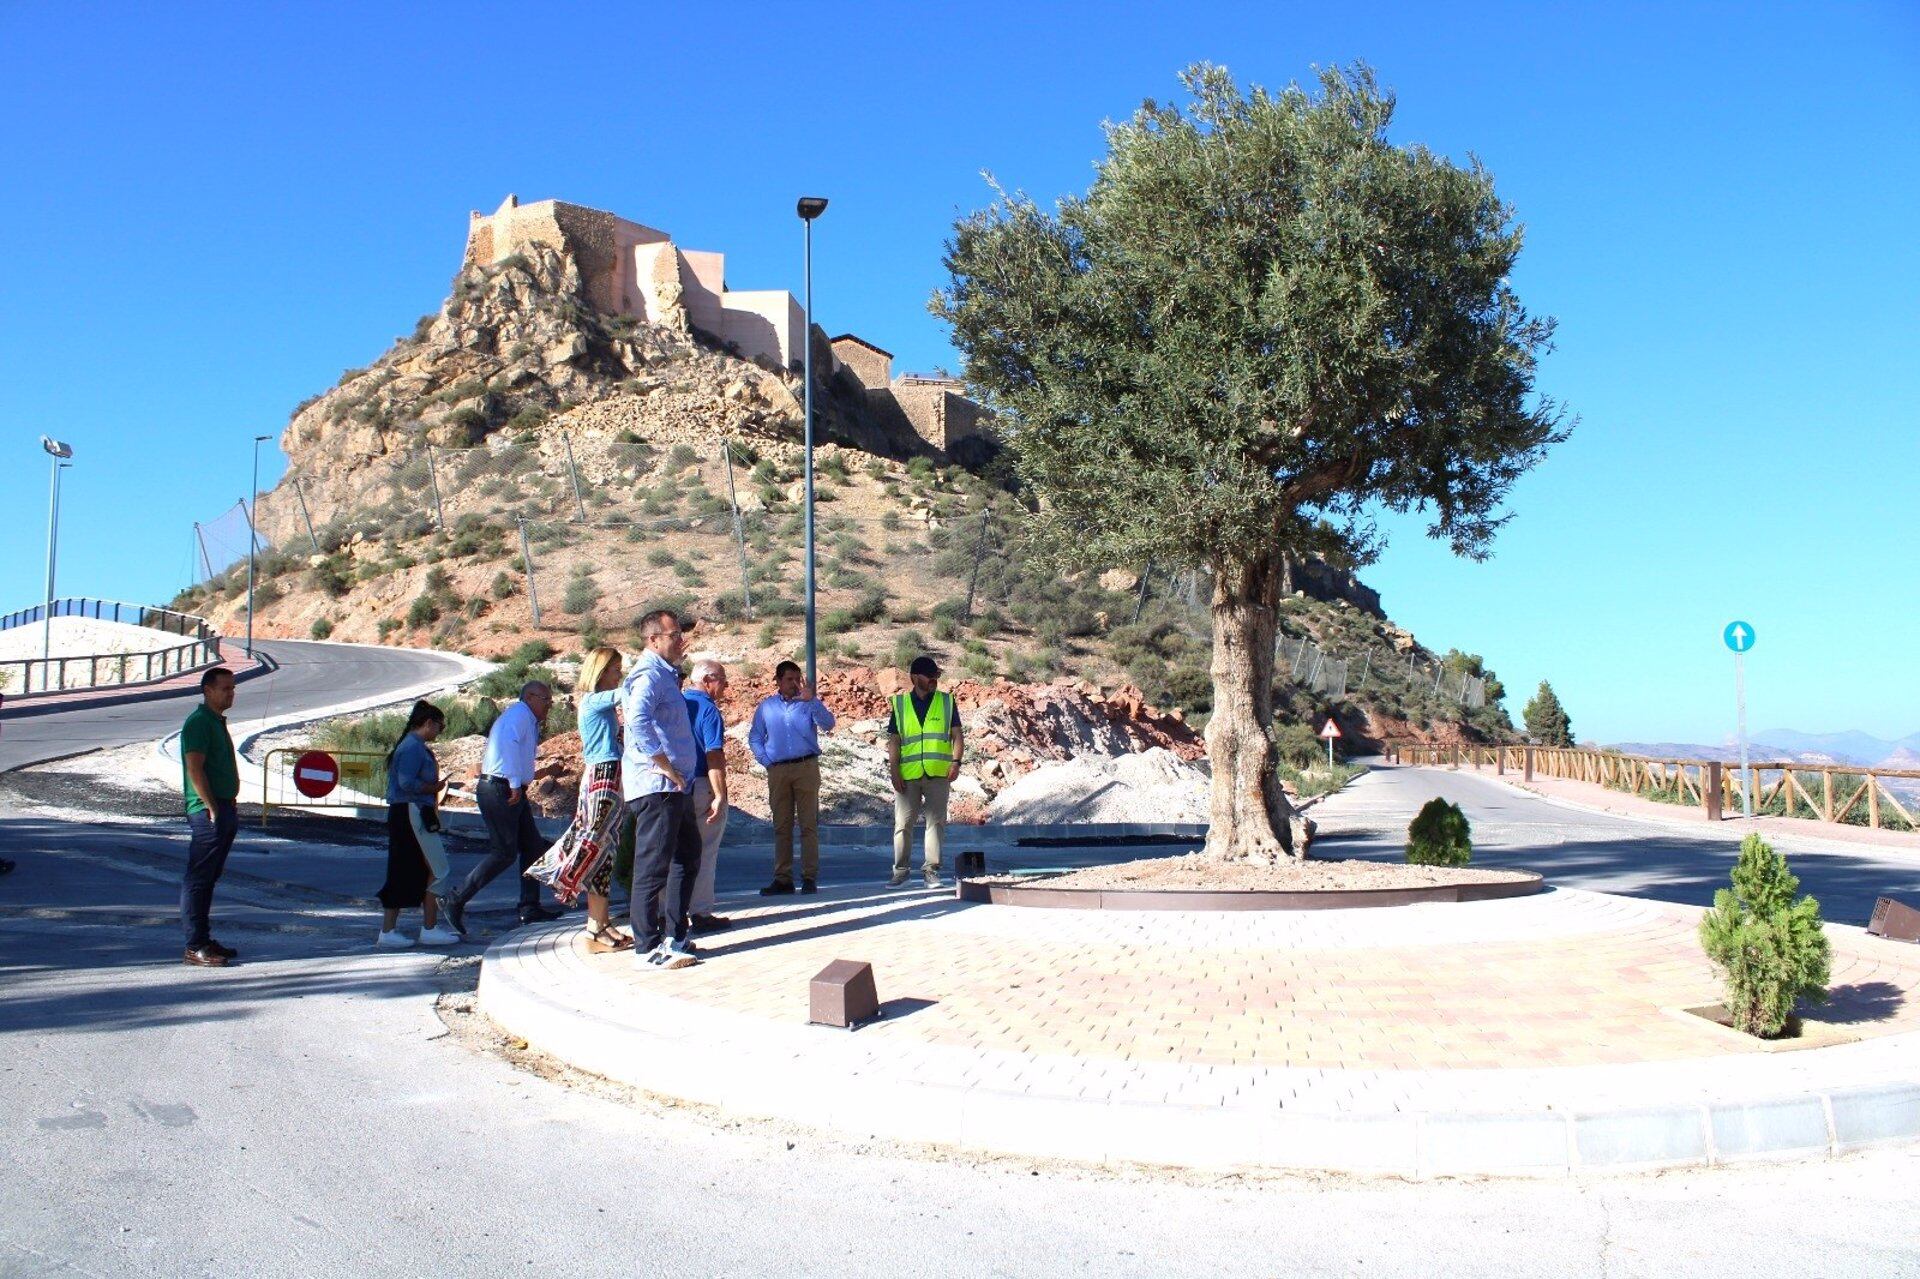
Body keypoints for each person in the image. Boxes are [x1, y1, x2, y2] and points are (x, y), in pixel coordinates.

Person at [527, 647, 632, 954]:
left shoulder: (597, 702)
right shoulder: (594, 699)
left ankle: (599, 923)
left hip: (607, 775)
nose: (619, 675)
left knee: (605, 851)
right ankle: (565, 879)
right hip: (603, 775)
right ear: (601, 672)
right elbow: (627, 692)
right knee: (596, 846)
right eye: (615, 670)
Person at [443, 681, 562, 935]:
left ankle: (529, 907)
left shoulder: (526, 718)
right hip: (501, 788)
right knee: (504, 852)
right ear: (530, 697)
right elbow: (505, 748)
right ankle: (456, 898)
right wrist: (514, 783)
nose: (549, 706)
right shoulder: (518, 715)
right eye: (546, 700)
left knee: (532, 846)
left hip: (508, 787)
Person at [622, 610, 703, 969]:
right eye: (674, 635)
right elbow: (636, 719)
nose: (681, 640)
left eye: (680, 634)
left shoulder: (665, 676)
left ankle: (675, 935)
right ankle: (647, 947)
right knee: (653, 866)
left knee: (688, 855)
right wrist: (664, 766)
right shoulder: (649, 674)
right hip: (658, 786)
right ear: (653, 640)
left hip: (675, 787)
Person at [378, 700, 463, 948]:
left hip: (409, 812)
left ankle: (396, 930)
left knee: (409, 869)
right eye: (440, 726)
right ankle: (427, 928)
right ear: (428, 723)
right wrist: (433, 788)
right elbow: (407, 783)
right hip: (412, 811)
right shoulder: (413, 748)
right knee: (438, 869)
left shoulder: (411, 745)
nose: (440, 731)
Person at [749, 660, 835, 895]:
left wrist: (813, 701)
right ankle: (783, 879)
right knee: (782, 827)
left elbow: (828, 724)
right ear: (777, 681)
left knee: (808, 825)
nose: (795, 684)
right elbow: (755, 737)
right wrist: (766, 762)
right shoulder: (766, 707)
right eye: (789, 679)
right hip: (778, 770)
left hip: (806, 767)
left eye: (798, 679)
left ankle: (809, 877)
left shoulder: (807, 704)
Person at [180, 666, 240, 967]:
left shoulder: (215, 721)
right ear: (208, 691)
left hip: (223, 807)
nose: (231, 693)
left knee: (209, 878)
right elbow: (194, 768)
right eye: (225, 688)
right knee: (199, 880)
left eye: (232, 688)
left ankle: (204, 938)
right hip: (208, 812)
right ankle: (195, 946)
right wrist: (212, 807)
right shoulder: (199, 722)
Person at [888, 655, 964, 888]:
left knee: (936, 823)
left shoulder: (946, 702)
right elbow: (894, 741)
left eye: (936, 676)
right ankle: (900, 871)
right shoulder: (900, 705)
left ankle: (931, 871)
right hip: (908, 774)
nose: (934, 680)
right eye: (929, 676)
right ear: (914, 677)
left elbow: (957, 736)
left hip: (938, 773)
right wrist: (894, 771)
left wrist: (956, 762)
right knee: (903, 824)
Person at [680, 657, 731, 932]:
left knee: (677, 853)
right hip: (701, 784)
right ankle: (700, 913)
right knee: (705, 851)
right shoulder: (709, 710)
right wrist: (720, 795)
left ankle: (668, 913)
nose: (725, 686)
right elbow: (714, 755)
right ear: (709, 680)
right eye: (722, 679)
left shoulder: (678, 704)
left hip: (677, 787)